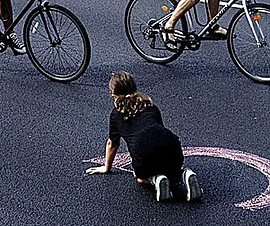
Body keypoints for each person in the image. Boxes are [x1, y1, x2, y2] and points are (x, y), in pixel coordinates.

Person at [84, 71, 201, 203]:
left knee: (140, 177)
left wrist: (107, 167)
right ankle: (185, 174)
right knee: (173, 167)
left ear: (114, 95)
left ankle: (156, 179)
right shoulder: (150, 105)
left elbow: (113, 144)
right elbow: (158, 132)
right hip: (170, 142)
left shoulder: (116, 115)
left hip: (143, 150)